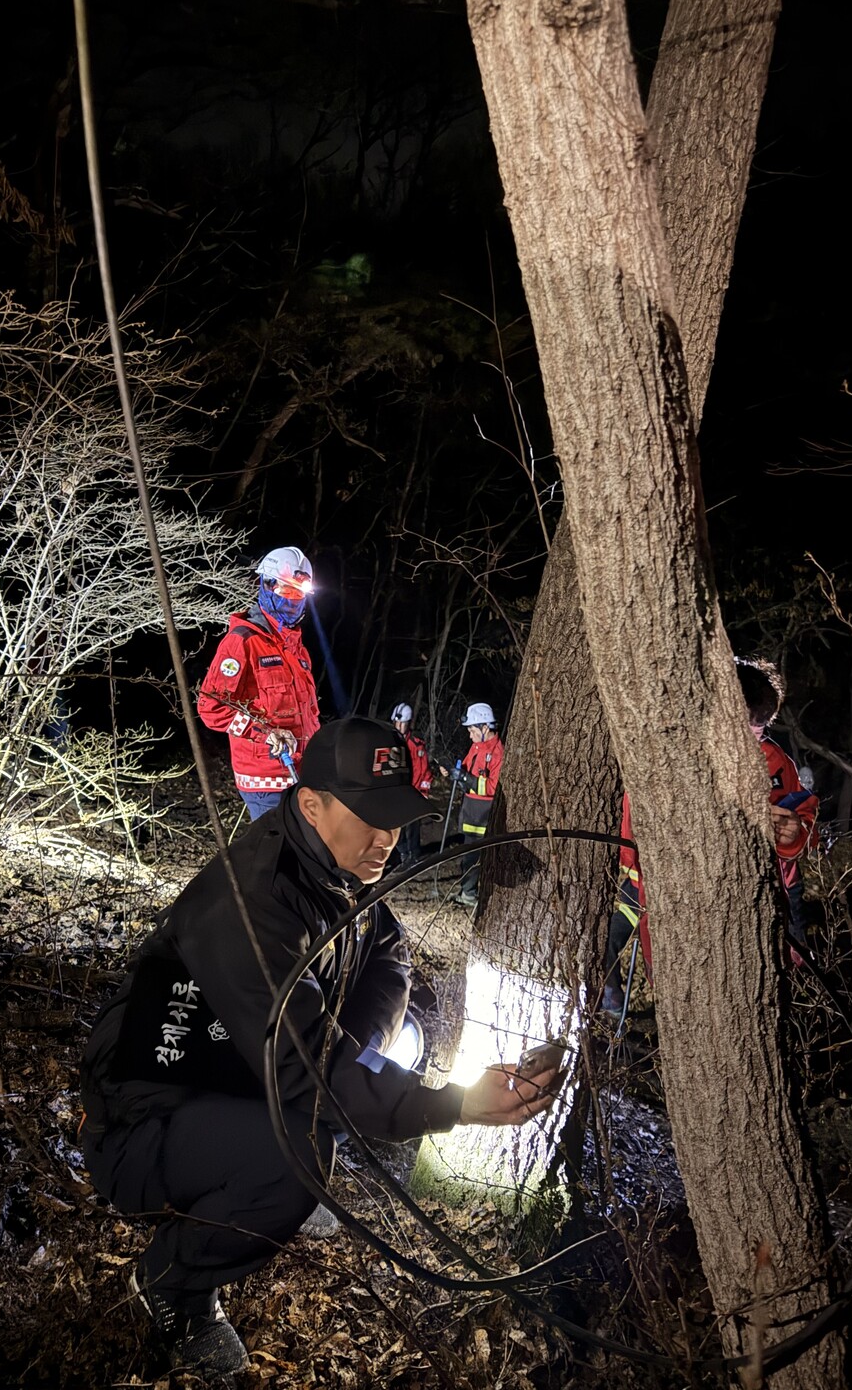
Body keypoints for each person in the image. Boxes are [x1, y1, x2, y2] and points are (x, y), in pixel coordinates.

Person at [79, 716, 561, 1386]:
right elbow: (315, 1068)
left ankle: (263, 1172)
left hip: (226, 1073)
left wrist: (363, 1049)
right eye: (369, 817)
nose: (387, 839)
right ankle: (172, 1284)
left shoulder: (335, 869)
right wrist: (453, 1105)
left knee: (348, 1086)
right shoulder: (254, 903)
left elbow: (388, 953)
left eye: (395, 818)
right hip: (142, 1118)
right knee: (298, 1151)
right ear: (311, 804)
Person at [601, 657, 818, 1016]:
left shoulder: (777, 763)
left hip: (755, 907)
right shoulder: (675, 757)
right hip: (670, 902)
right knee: (678, 992)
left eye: (761, 727)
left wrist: (794, 832)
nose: (754, 736)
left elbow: (803, 816)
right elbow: (636, 822)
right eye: (745, 725)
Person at [196, 547, 320, 821]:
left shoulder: (297, 649)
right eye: (287, 592)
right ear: (266, 585)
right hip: (266, 781)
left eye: (299, 594)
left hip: (302, 775)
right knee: (278, 858)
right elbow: (210, 708)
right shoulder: (242, 642)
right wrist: (264, 733)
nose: (293, 601)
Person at [439, 702, 504, 909]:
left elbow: (493, 786)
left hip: (483, 816)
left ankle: (470, 894)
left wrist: (466, 778)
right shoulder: (476, 747)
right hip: (471, 812)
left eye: (472, 730)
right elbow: (467, 768)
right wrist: (452, 772)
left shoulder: (497, 753)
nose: (470, 735)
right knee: (468, 856)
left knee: (474, 858)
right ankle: (467, 890)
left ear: (485, 728)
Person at [390, 702, 433, 866]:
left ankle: (414, 854)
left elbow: (424, 770)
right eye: (397, 723)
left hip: (413, 790)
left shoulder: (416, 745)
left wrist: (423, 792)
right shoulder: (391, 741)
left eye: (402, 723)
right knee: (397, 825)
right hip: (397, 791)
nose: (399, 726)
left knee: (412, 825)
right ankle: (402, 853)